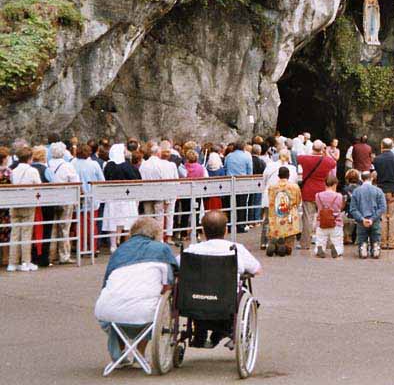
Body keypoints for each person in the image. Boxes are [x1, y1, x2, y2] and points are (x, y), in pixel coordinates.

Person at [94, 217, 178, 367]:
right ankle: (139, 353)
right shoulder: (162, 249)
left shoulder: (119, 251)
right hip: (143, 311)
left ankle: (118, 355)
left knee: (118, 310)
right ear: (156, 234)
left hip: (106, 310)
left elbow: (106, 281)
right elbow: (170, 281)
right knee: (151, 304)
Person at [181, 211, 262, 347]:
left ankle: (200, 332)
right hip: (226, 301)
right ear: (226, 230)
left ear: (203, 231)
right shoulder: (236, 249)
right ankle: (225, 331)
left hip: (195, 301)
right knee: (242, 290)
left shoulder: (192, 250)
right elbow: (257, 269)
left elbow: (177, 265)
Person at [297, 140, 337, 250]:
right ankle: (327, 242)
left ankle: (305, 243)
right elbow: (334, 162)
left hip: (308, 191)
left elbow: (297, 157)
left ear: (312, 148)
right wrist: (326, 152)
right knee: (325, 217)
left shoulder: (306, 159)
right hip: (322, 191)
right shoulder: (327, 161)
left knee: (307, 218)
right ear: (322, 149)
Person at [8, 146, 41, 272]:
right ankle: (25, 261)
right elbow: (38, 186)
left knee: (15, 233)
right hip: (27, 203)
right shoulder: (32, 171)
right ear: (29, 158)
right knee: (26, 233)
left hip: (15, 203)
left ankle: (12, 262)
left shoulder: (13, 171)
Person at [48, 141, 79, 264]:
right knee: (64, 228)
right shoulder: (67, 166)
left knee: (52, 227)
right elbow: (75, 182)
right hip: (66, 198)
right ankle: (64, 255)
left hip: (51, 198)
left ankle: (51, 254)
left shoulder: (48, 164)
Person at [372, 138, 394, 249]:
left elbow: (374, 174)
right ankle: (392, 242)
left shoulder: (376, 160)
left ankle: (383, 241)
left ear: (382, 146)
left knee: (383, 217)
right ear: (392, 146)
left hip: (380, 189)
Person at [264, 166, 301, 256]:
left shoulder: (272, 187)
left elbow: (271, 200)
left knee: (276, 230)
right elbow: (298, 200)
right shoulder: (294, 186)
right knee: (290, 233)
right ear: (288, 175)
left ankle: (275, 244)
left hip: (276, 214)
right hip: (289, 214)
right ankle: (286, 247)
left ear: (278, 176)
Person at [349, 171, 386, 259]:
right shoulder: (378, 191)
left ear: (361, 179)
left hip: (361, 221)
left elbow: (353, 209)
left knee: (362, 237)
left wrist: (362, 219)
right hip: (375, 220)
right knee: (376, 236)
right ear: (372, 178)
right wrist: (372, 219)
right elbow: (382, 207)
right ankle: (376, 247)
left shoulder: (356, 191)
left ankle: (363, 248)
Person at [315, 174, 344, 258]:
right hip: (335, 222)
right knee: (337, 241)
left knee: (320, 240)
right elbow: (339, 207)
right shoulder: (339, 196)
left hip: (321, 222)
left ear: (325, 184)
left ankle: (319, 249)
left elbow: (318, 207)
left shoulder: (318, 195)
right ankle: (336, 250)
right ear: (335, 184)